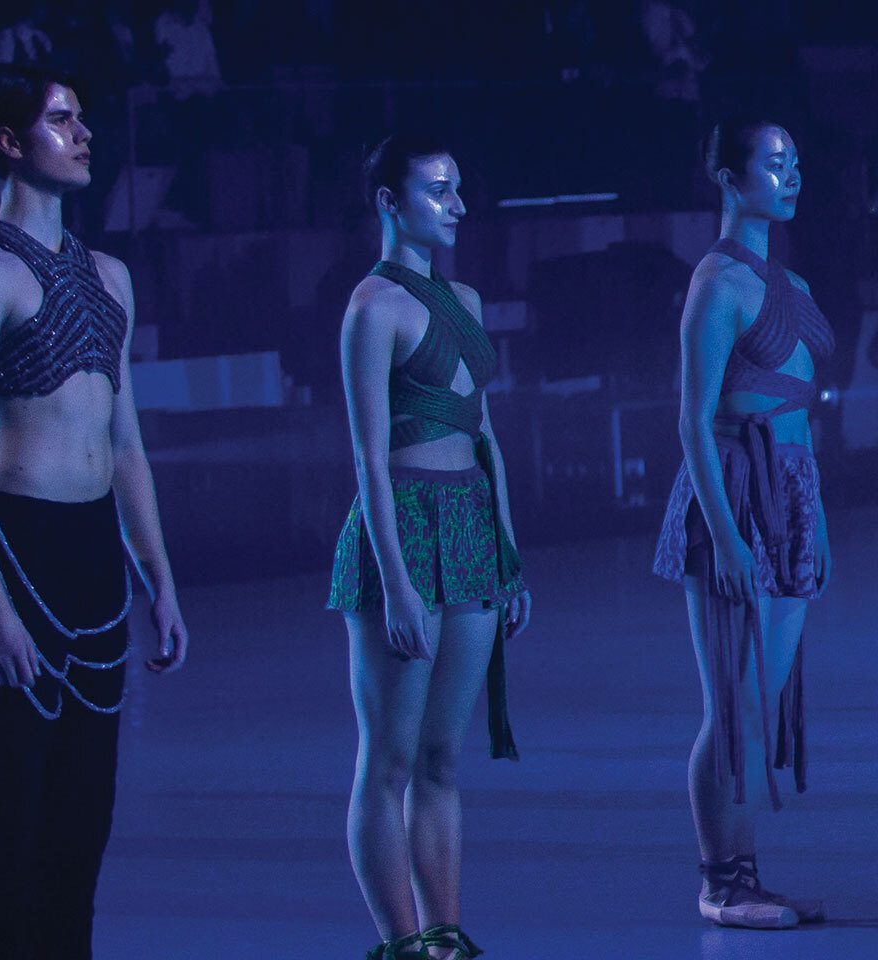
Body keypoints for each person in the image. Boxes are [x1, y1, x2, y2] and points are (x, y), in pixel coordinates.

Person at [0, 64, 192, 960]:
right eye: (63, 119)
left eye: (84, 115)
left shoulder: (111, 276)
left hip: (95, 556)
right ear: (10, 143)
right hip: (16, 549)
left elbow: (128, 443)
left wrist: (161, 581)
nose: (85, 133)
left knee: (79, 827)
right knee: (4, 825)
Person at [329, 134, 533, 960]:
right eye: (438, 190)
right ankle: (400, 942)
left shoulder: (470, 300)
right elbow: (368, 457)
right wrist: (398, 580)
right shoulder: (371, 307)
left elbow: (488, 436)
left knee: (444, 757)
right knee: (389, 760)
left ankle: (445, 933)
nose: (456, 205)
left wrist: (509, 554)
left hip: (470, 530)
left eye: (458, 189)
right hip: (405, 531)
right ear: (390, 201)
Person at [656, 117, 833, 929]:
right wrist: (726, 537)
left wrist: (814, 516)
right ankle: (721, 881)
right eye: (772, 163)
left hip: (789, 490)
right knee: (732, 704)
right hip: (731, 491)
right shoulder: (718, 282)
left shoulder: (787, 284)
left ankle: (745, 872)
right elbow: (693, 420)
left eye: (794, 162)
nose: (790, 175)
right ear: (729, 178)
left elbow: (798, 412)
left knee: (756, 699)